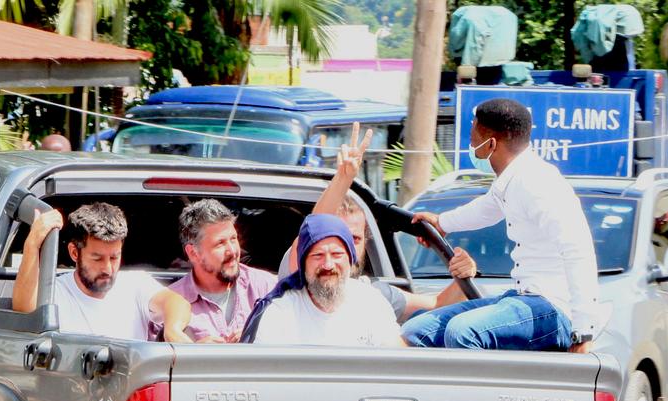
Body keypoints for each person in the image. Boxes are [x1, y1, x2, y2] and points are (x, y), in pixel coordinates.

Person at [405, 98, 603, 352]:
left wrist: (583, 331)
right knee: (416, 331)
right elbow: (486, 209)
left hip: (553, 308)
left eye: (473, 135)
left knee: (462, 332)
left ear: (492, 144)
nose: (471, 143)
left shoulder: (536, 181)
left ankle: (474, 393)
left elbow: (578, 248)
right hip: (522, 299)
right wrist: (442, 222)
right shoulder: (511, 180)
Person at [280, 123, 478, 321]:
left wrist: (464, 272)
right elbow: (316, 228)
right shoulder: (302, 283)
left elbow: (438, 305)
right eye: (332, 241)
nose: (341, 251)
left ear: (365, 243)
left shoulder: (373, 296)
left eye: (353, 239)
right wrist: (343, 178)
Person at [10, 202, 184, 341]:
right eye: (97, 259)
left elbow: (175, 302)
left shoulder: (135, 284)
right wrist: (33, 243)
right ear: (74, 252)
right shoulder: (56, 291)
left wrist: (173, 329)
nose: (107, 268)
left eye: (114, 258)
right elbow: (24, 307)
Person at [242, 214, 403, 348]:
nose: (328, 265)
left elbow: (396, 365)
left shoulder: (371, 303)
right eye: (317, 255)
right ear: (303, 263)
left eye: (336, 254)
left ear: (350, 259)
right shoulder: (280, 312)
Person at [158, 199, 279, 343]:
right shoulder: (169, 304)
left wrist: (258, 336)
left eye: (233, 239)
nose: (232, 251)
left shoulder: (267, 287)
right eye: (220, 243)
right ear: (193, 253)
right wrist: (195, 352)